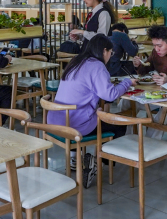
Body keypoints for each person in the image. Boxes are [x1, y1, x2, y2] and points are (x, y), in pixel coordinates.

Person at [48, 35, 133, 186]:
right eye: (111, 52)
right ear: (104, 51)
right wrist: (127, 82)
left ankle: (75, 159)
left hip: (55, 120)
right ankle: (98, 163)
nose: (110, 56)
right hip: (74, 125)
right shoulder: (97, 66)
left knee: (97, 115)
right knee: (118, 125)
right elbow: (110, 95)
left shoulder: (76, 61)